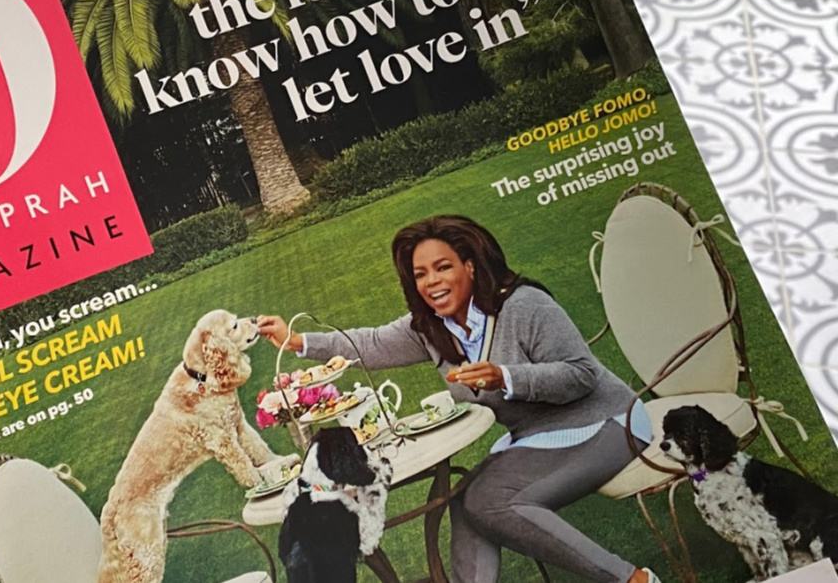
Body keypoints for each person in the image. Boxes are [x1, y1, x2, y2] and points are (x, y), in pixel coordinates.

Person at [258, 215, 658, 583]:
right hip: (536, 437)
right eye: (420, 274)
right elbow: (370, 343)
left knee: (487, 500)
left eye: (442, 266)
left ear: (470, 265)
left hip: (607, 422)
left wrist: (507, 376)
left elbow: (581, 374)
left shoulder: (524, 306)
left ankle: (632, 580)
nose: (431, 281)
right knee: (464, 497)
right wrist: (296, 341)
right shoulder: (430, 328)